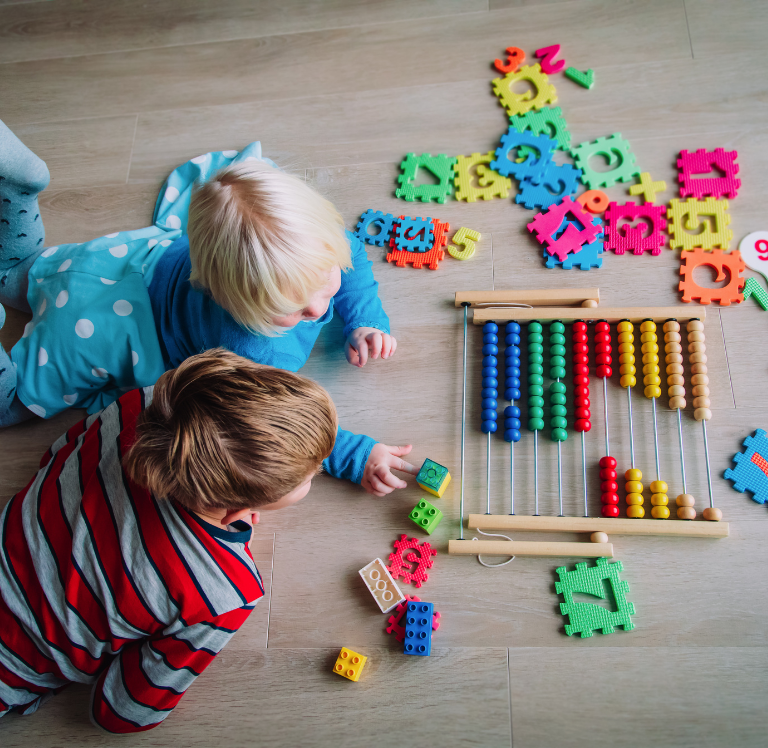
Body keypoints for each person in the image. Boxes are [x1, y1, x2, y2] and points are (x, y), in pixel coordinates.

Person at [0, 122, 411, 496]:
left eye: (326, 279)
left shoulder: (315, 246)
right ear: (232, 302)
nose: (320, 309)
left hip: (127, 259)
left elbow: (351, 255)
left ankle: (17, 196)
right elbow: (267, 420)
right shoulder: (250, 351)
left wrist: (364, 319)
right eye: (294, 309)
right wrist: (355, 454)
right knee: (18, 400)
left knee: (29, 271)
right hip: (106, 326)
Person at [0, 349, 337, 733]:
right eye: (309, 476)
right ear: (232, 506)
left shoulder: (141, 406)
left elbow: (58, 454)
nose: (320, 469)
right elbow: (120, 713)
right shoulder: (222, 592)